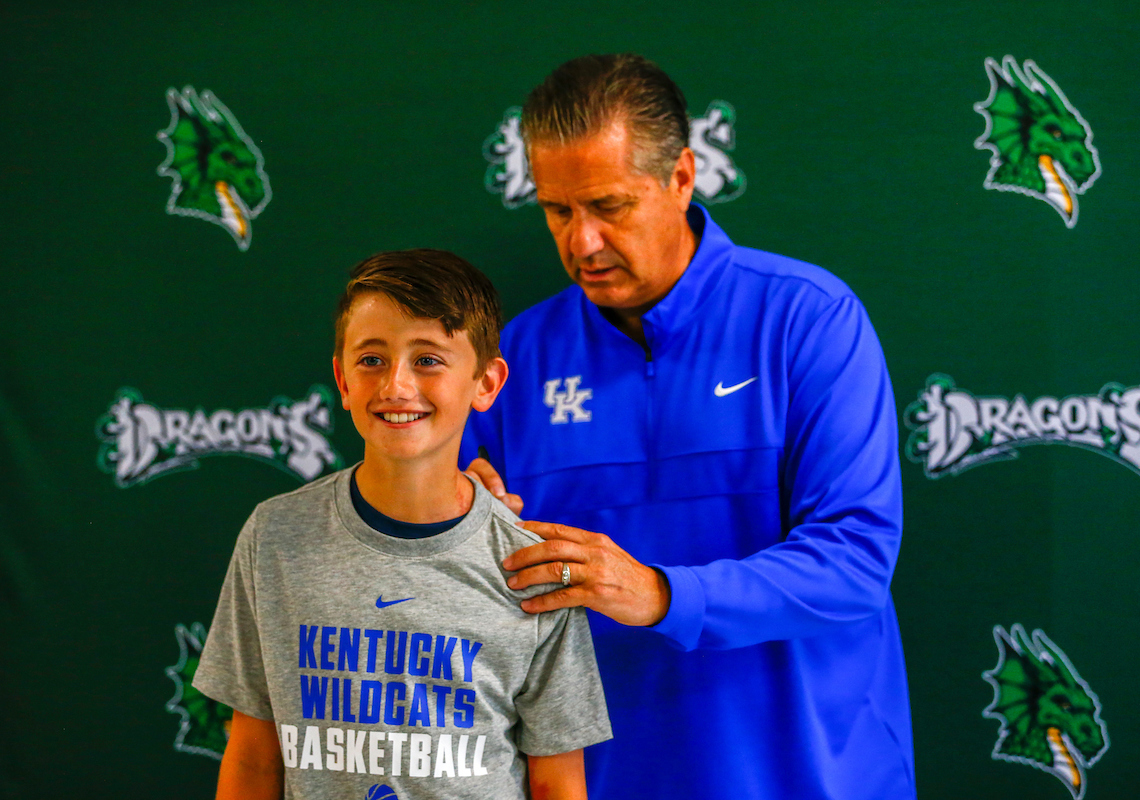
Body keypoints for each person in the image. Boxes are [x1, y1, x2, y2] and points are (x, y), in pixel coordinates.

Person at [461, 54, 915, 799]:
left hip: (809, 777)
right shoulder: (511, 359)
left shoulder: (809, 318)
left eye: (608, 206)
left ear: (680, 177)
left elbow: (856, 561)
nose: (581, 243)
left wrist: (659, 593)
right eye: (556, 210)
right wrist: (449, 513)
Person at [194, 249, 612, 800]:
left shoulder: (530, 566)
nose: (396, 385)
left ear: (486, 383)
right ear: (342, 380)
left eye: (429, 360)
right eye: (372, 359)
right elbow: (251, 759)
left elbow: (558, 783)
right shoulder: (274, 538)